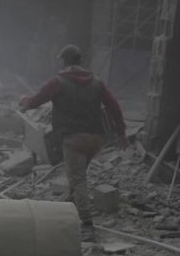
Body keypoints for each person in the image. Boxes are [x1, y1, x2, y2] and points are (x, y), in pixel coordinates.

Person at [19, 44, 127, 240]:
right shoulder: (97, 82)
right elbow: (115, 107)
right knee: (77, 174)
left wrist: (24, 101)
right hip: (95, 139)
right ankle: (69, 206)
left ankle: (86, 224)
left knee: (78, 180)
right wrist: (121, 134)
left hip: (73, 139)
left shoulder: (58, 81)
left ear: (64, 61)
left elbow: (36, 101)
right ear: (80, 61)